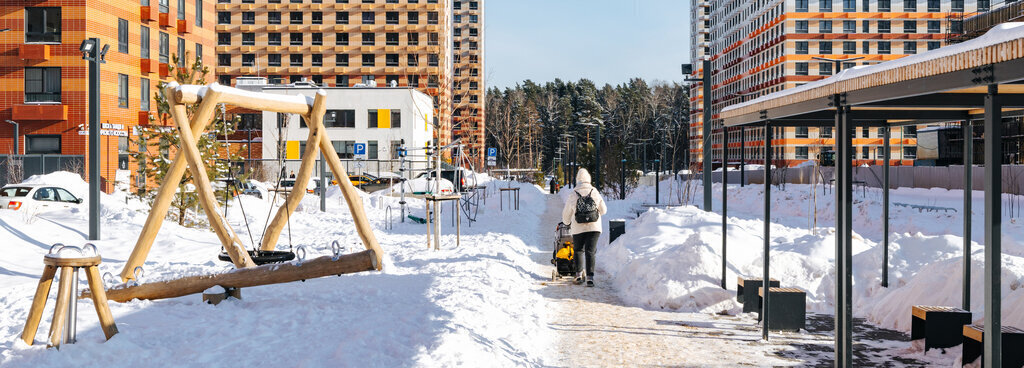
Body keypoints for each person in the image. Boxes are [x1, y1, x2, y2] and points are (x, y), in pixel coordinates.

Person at [561, 168, 607, 287]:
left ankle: (578, 275)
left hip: (578, 227)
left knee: (578, 250)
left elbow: (566, 215)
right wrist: (592, 215)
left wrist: (566, 222)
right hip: (594, 227)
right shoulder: (595, 191)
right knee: (590, 252)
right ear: (589, 179)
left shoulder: (573, 193)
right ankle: (590, 278)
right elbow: (604, 210)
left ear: (577, 179)